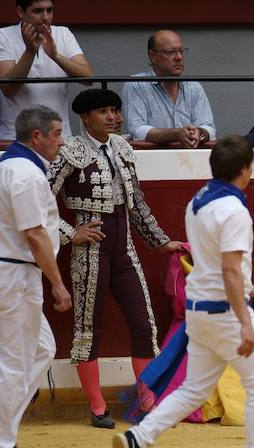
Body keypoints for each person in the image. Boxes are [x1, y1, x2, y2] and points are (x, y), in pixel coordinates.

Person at [113, 135, 254, 448]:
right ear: (248, 169)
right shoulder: (234, 211)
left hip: (199, 311)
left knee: (194, 388)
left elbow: (216, 264)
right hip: (227, 314)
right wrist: (245, 320)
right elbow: (229, 269)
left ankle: (140, 438)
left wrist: (248, 287)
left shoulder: (198, 201)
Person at [48, 88, 182, 428]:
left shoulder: (123, 148)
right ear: (86, 117)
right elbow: (38, 200)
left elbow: (136, 204)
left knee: (143, 324)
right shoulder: (70, 152)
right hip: (89, 252)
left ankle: (147, 402)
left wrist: (161, 242)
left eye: (116, 111)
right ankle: (96, 407)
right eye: (106, 111)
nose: (115, 117)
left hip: (124, 249)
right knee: (88, 328)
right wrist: (70, 233)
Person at [0, 105, 71, 448]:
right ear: (36, 136)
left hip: (8, 270)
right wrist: (57, 283)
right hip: (16, 275)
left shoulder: (3, 167)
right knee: (13, 362)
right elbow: (35, 233)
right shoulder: (25, 174)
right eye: (56, 133)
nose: (61, 140)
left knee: (42, 348)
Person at [0, 0, 93, 139]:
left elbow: (88, 78)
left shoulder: (63, 33)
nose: (45, 17)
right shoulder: (4, 35)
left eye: (49, 10)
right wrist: (30, 52)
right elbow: (8, 89)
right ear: (21, 12)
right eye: (38, 11)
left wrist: (56, 56)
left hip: (59, 138)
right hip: (18, 138)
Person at [122, 30, 215, 147]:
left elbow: (209, 128)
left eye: (181, 51)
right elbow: (137, 130)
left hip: (190, 158)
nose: (179, 57)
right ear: (152, 56)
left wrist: (199, 133)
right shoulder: (136, 84)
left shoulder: (193, 86)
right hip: (152, 158)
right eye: (171, 52)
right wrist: (176, 134)